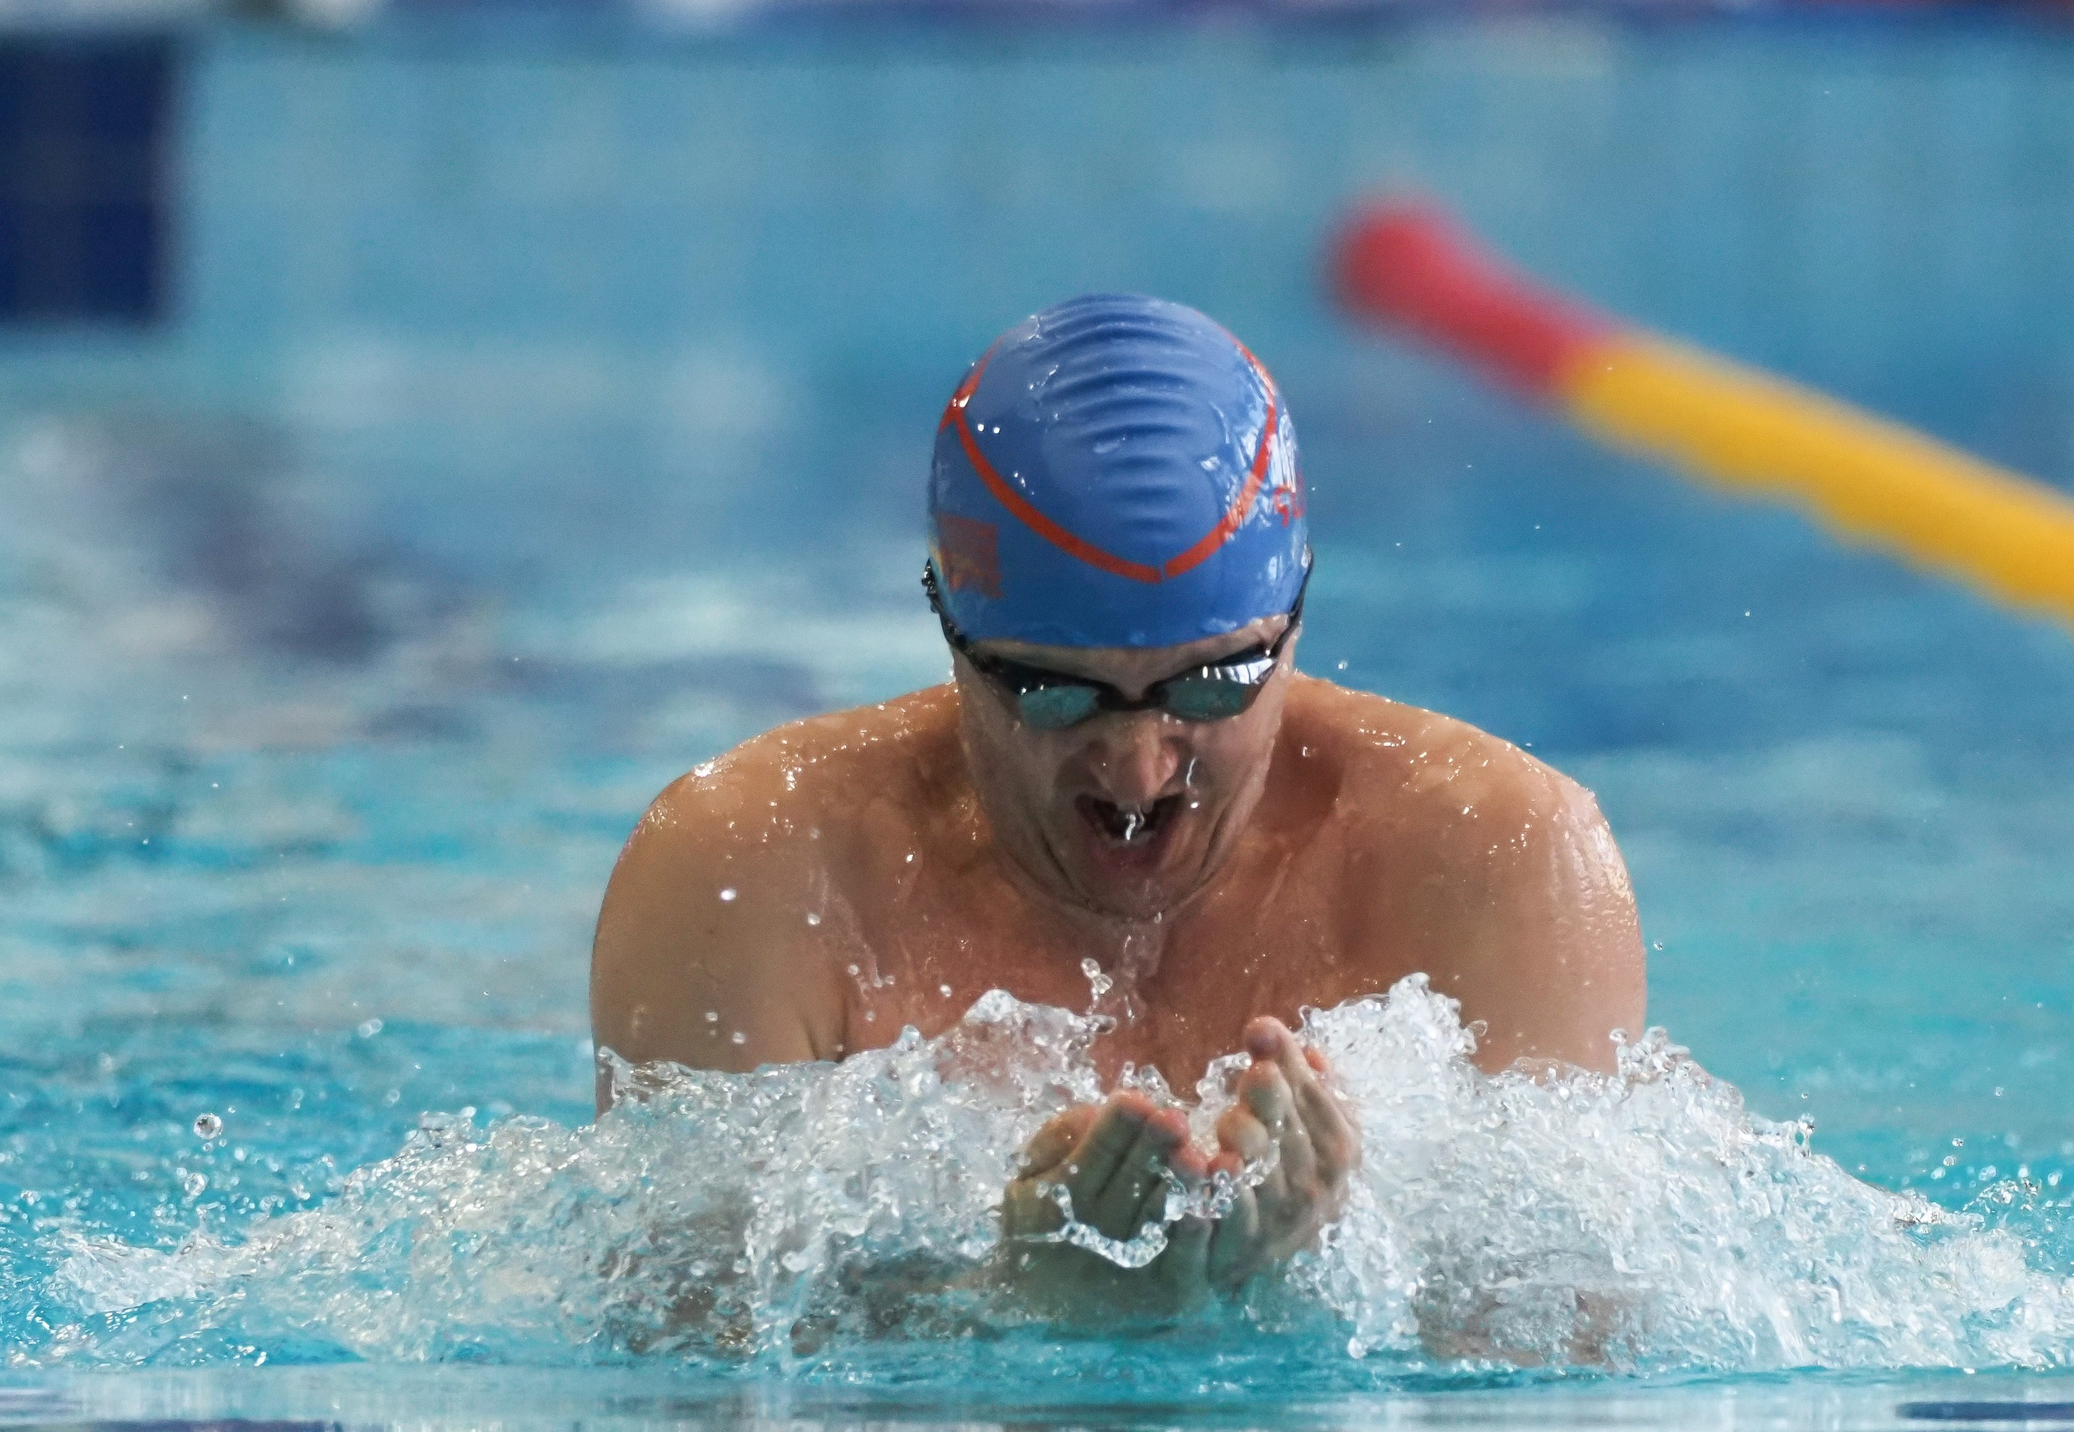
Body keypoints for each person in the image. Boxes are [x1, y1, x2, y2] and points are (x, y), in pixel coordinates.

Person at [591, 294, 1644, 1319]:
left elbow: (1576, 1355)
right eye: (1056, 693)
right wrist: (1013, 1310)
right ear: (949, 626)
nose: (1140, 772)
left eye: (1212, 685)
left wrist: (1311, 1289)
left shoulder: (1496, 856)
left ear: (1295, 618)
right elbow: (682, 1362)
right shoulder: (758, 870)